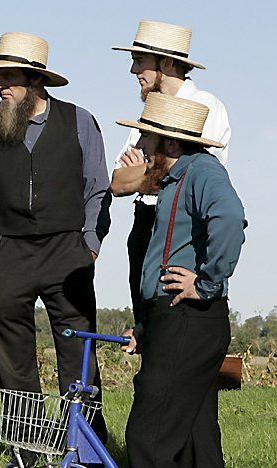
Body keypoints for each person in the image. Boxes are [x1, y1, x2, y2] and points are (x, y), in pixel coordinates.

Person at [101, 93, 245, 468]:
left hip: (191, 318)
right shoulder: (174, 180)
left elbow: (230, 219)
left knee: (149, 436)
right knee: (195, 443)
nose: (137, 145)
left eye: (144, 137)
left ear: (167, 141)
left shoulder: (201, 172)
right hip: (172, 321)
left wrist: (206, 281)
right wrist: (147, 322)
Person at [0, 32, 112, 442]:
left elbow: (98, 187)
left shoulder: (81, 121)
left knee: (78, 351)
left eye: (8, 78)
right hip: (4, 254)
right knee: (14, 361)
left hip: (68, 252)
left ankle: (83, 447)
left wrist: (90, 247)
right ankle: (27, 448)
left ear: (35, 82)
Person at [110, 20, 230, 327]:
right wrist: (158, 169)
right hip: (144, 223)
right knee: (146, 322)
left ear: (166, 63)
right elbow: (117, 183)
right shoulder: (147, 113)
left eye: (140, 62)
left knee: (178, 319)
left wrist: (145, 169)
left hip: (184, 228)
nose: (133, 72)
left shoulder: (207, 106)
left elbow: (193, 175)